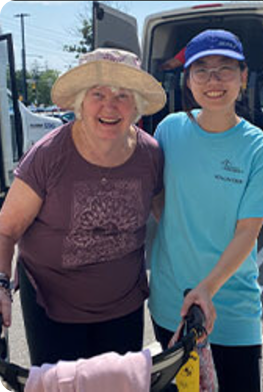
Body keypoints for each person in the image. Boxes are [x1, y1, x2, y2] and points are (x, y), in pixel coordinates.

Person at [0, 47, 166, 366]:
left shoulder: (151, 155)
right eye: (97, 94)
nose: (109, 105)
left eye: (122, 95)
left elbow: (166, 218)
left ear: (137, 107)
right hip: (52, 308)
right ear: (79, 103)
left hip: (124, 307)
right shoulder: (49, 155)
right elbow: (6, 229)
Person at [149, 29, 263, 392]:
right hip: (170, 305)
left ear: (242, 77)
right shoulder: (169, 130)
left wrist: (207, 288)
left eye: (225, 69)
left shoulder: (262, 150)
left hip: (232, 309)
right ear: (188, 80)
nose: (213, 80)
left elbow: (247, 232)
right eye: (201, 70)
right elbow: (158, 197)